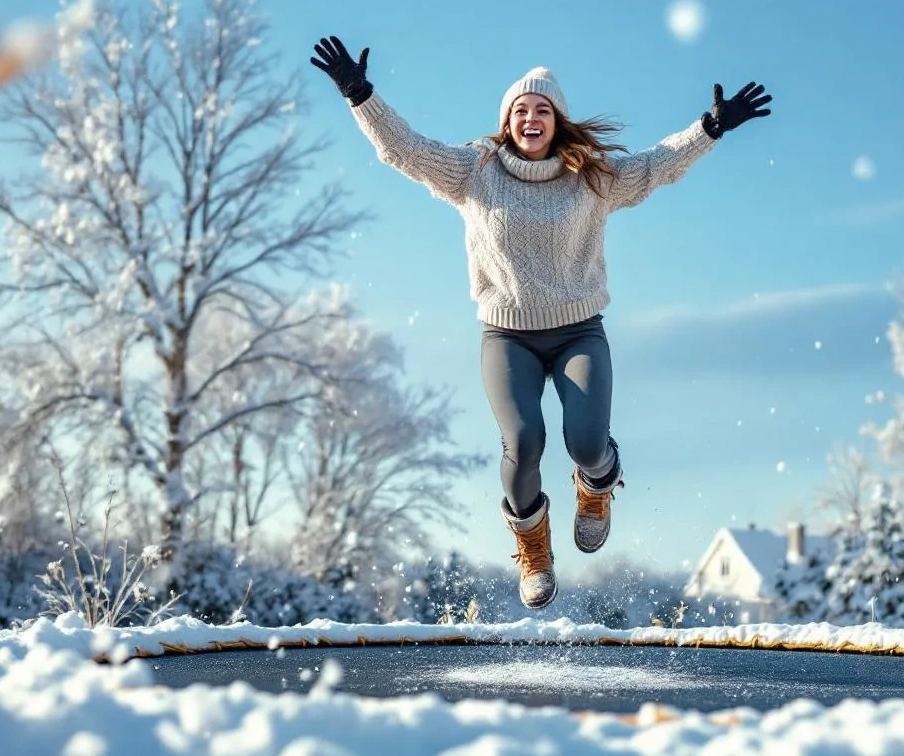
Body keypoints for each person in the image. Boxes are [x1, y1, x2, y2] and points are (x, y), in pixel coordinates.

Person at [309, 36, 772, 610]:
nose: (532, 117)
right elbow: (405, 149)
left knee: (585, 444)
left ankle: (597, 487)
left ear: (557, 122)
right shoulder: (472, 171)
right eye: (521, 110)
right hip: (507, 336)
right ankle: (533, 545)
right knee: (524, 441)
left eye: (543, 109)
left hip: (579, 331)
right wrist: (361, 95)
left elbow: (656, 166)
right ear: (507, 121)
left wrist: (709, 127)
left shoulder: (592, 177)